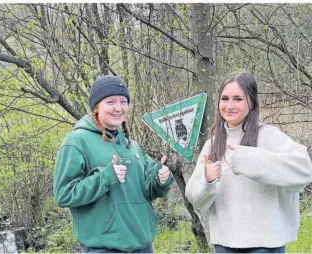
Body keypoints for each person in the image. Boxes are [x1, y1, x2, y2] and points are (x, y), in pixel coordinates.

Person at [185, 71, 312, 253]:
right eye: (225, 98)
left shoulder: (268, 136)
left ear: (251, 102)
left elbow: (305, 171)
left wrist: (250, 160)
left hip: (265, 245)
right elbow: (195, 198)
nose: (230, 105)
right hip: (225, 244)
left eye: (238, 99)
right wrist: (207, 180)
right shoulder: (212, 145)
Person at [54, 74, 174, 253]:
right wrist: (105, 177)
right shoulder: (77, 141)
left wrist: (161, 178)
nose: (118, 108)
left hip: (143, 245)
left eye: (123, 102)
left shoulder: (131, 146)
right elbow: (64, 194)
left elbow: (149, 190)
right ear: (96, 106)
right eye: (110, 102)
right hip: (105, 247)